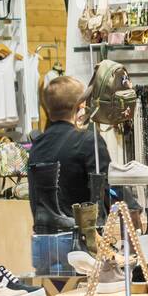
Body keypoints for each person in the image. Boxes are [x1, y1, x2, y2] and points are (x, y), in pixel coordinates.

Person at [28, 76, 111, 209]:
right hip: (83, 228)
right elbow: (105, 195)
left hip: (44, 229)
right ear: (81, 105)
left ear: (48, 108)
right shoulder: (89, 142)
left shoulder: (36, 146)